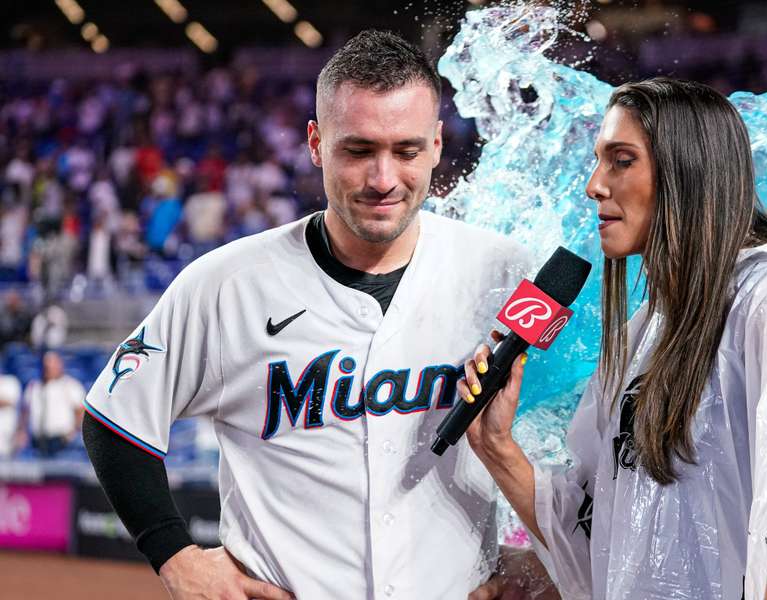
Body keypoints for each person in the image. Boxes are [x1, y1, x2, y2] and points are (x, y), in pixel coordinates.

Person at [82, 31, 557, 600]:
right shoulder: (226, 285)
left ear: (436, 144)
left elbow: (564, 426)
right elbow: (113, 420)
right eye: (358, 151)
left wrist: (551, 556)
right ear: (315, 142)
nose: (383, 179)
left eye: (406, 151)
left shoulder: (504, 271)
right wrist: (175, 556)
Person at [459, 78, 767, 599]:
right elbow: (602, 546)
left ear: (686, 172)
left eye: (622, 160)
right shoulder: (647, 331)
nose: (594, 185)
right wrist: (496, 446)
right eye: (599, 159)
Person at [23, 351, 85, 457]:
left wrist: (72, 433)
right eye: (46, 364)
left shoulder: (70, 385)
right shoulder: (34, 386)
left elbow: (81, 412)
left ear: (60, 365)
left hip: (62, 441)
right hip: (37, 440)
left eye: (52, 364)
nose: (49, 367)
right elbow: (25, 412)